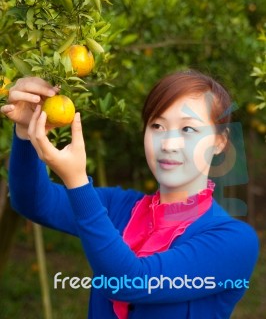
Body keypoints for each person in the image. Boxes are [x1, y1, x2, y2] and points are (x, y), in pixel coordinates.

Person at [1, 70, 259, 319]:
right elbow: (33, 202)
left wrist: (77, 182)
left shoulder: (233, 241)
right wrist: (25, 132)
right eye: (157, 125)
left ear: (219, 142)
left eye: (188, 129)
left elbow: (129, 282)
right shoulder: (119, 207)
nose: (168, 144)